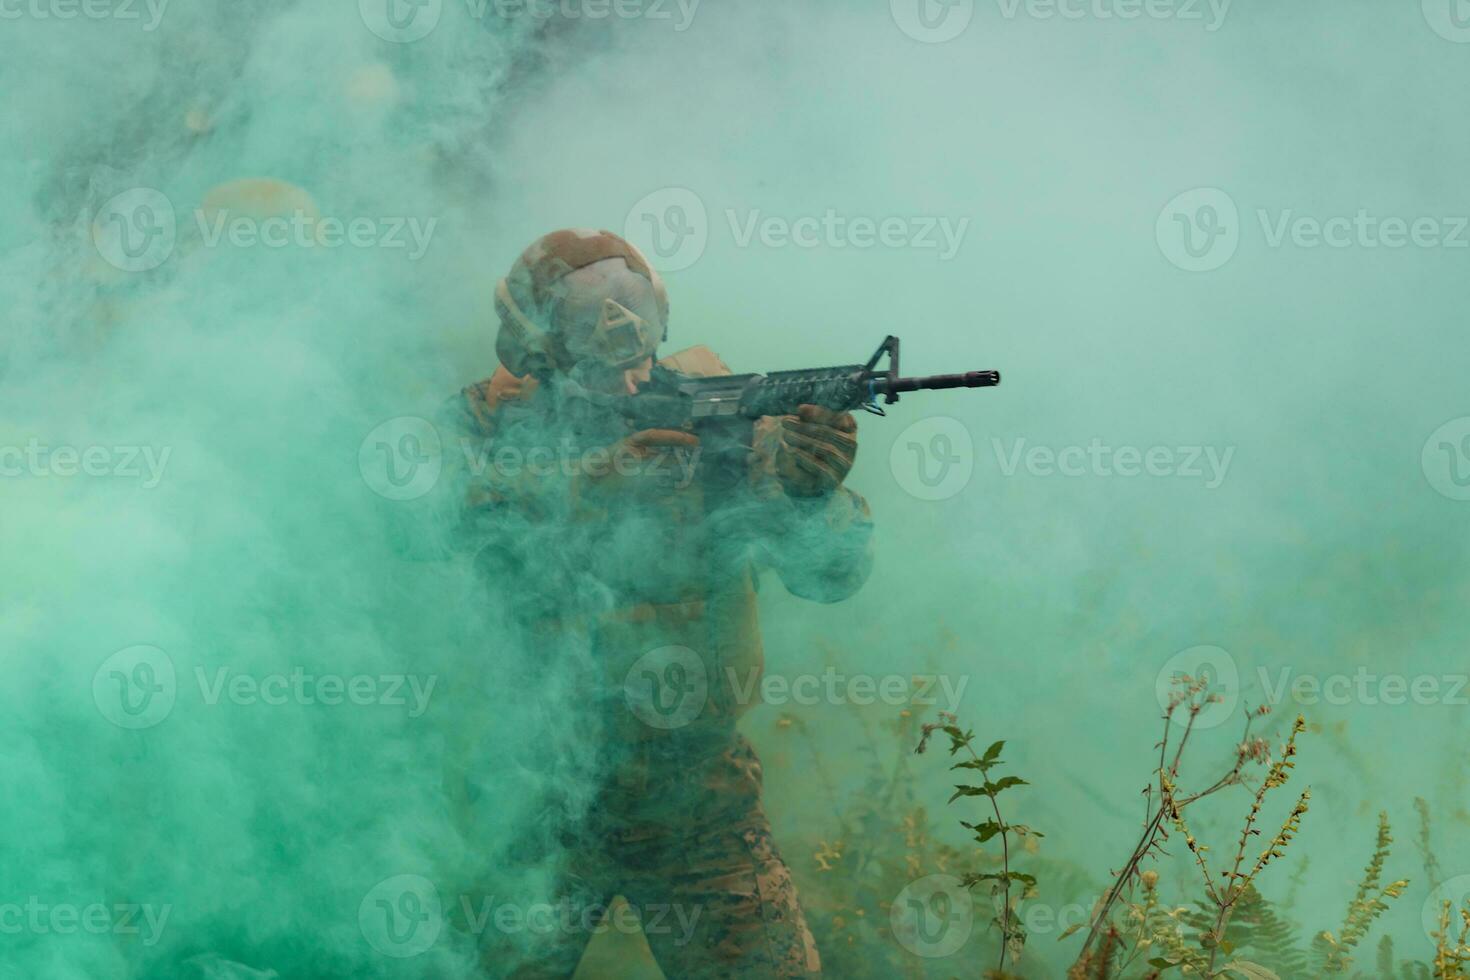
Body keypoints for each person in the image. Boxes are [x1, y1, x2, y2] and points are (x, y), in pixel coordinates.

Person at [447, 228, 873, 979]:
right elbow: (414, 523)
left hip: (698, 800)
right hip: (535, 798)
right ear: (537, 354)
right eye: (595, 360)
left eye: (637, 354)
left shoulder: (726, 421)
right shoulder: (488, 422)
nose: (629, 384)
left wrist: (813, 501)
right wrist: (584, 485)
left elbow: (830, 577)